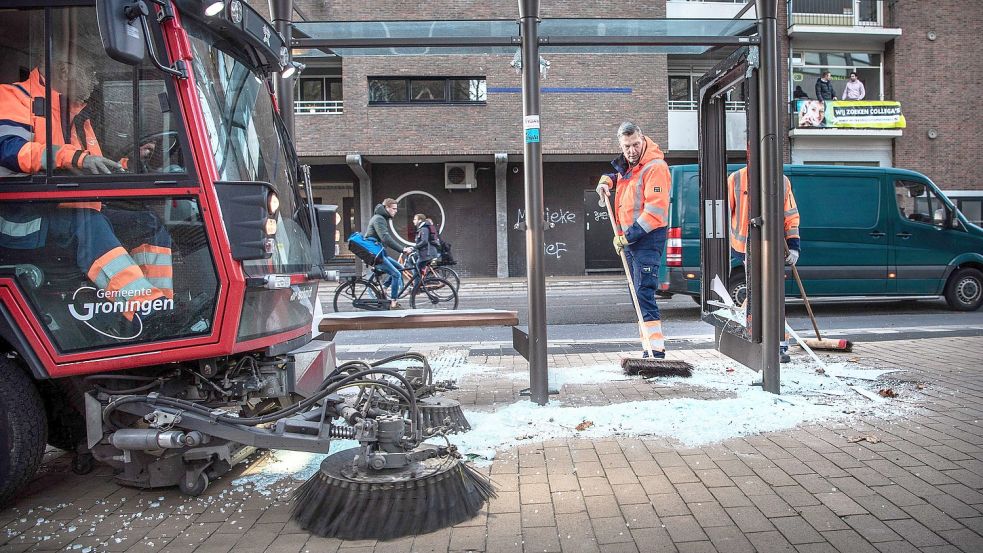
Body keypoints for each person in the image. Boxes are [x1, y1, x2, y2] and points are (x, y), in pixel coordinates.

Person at [0, 43, 172, 327]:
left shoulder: (76, 116)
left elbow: (92, 170)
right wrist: (72, 157)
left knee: (147, 223)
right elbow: (9, 150)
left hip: (66, 211)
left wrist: (129, 164)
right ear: (65, 70)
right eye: (90, 72)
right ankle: (144, 312)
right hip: (16, 217)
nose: (94, 80)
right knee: (88, 224)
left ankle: (161, 308)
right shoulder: (12, 97)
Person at [595, 121, 672, 359]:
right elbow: (618, 177)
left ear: (643, 139)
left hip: (646, 240)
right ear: (621, 144)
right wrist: (606, 181)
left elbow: (656, 212)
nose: (631, 151)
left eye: (635, 144)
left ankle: (656, 352)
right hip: (631, 242)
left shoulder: (655, 167)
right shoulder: (629, 167)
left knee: (643, 293)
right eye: (627, 146)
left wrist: (626, 237)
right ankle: (648, 348)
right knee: (637, 295)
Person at [727, 164, 801, 362]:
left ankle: (778, 344)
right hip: (745, 247)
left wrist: (794, 245)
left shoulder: (782, 181)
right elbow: (724, 212)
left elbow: (790, 216)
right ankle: (758, 339)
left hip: (772, 247)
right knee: (759, 294)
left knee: (771, 294)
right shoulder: (736, 179)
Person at [365, 198, 412, 309]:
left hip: (379, 253)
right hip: (375, 255)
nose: (395, 211)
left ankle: (385, 288)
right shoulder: (379, 219)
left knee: (399, 268)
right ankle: (393, 303)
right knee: (396, 274)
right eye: (393, 209)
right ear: (386, 208)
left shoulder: (381, 218)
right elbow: (385, 238)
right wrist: (402, 249)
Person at [410, 213, 438, 283]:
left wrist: (414, 247)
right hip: (425, 253)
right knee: (414, 262)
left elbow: (424, 241)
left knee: (416, 269)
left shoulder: (424, 228)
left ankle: (416, 289)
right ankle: (422, 282)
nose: (413, 221)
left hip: (426, 254)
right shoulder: (422, 228)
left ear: (420, 220)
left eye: (415, 219)